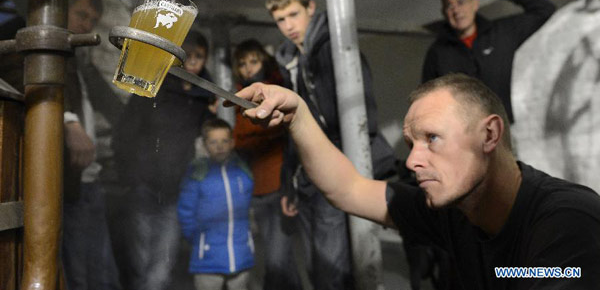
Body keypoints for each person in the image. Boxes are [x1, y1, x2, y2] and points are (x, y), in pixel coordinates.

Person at [232, 73, 600, 290]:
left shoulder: (568, 220)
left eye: (432, 139)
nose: (412, 160)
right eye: (411, 144)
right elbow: (349, 189)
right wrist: (299, 116)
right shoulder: (456, 209)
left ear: (489, 135)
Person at [266, 0, 396, 289]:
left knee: (331, 273)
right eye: (280, 19)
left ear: (311, 8)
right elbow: (293, 130)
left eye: (294, 14)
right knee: (316, 266)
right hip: (307, 178)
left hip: (335, 169)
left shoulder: (337, 47)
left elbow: (363, 120)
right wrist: (290, 185)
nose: (288, 25)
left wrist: (343, 173)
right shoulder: (289, 62)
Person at [111, 30, 215, 290]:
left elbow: (207, 137)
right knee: (140, 262)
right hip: (143, 186)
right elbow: (124, 131)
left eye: (199, 56)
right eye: (187, 54)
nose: (192, 60)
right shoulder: (153, 88)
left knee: (161, 267)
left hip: (175, 190)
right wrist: (130, 177)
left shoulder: (204, 96)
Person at [422, 0, 556, 123]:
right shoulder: (437, 52)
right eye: (449, 6)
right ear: (444, 13)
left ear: (475, 4)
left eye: (461, 2)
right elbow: (428, 99)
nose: (456, 10)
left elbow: (545, 11)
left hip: (506, 130)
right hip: (464, 137)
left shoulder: (502, 33)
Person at [62, 0, 123, 290]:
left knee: (101, 272)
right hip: (67, 182)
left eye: (93, 20)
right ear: (63, 9)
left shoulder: (80, 64)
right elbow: (28, 84)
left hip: (90, 179)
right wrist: (69, 122)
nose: (87, 25)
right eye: (81, 15)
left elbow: (115, 109)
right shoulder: (50, 53)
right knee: (78, 273)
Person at [232, 39, 302, 290]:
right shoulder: (240, 96)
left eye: (254, 61)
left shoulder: (276, 91)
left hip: (280, 184)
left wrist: (258, 134)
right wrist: (261, 135)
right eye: (242, 64)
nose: (249, 68)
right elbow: (239, 141)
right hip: (258, 186)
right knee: (282, 260)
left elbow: (282, 131)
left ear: (264, 60)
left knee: (276, 259)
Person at [177, 118, 254, 290]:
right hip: (208, 258)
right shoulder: (197, 175)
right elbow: (185, 211)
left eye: (224, 141)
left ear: (232, 143)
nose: (219, 146)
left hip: (241, 254)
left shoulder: (241, 172)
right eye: (213, 142)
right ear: (204, 145)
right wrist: (199, 239)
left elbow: (247, 207)